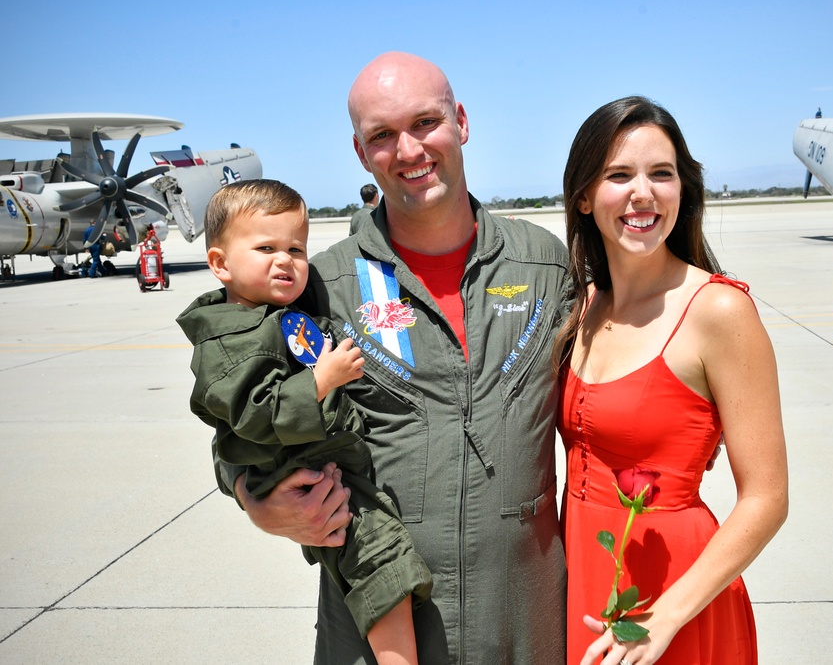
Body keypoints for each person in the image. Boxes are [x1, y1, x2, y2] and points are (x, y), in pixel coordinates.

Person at [216, 53, 570, 663]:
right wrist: (253, 496)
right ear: (361, 153)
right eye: (382, 135)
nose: (408, 151)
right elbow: (242, 408)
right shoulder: (321, 286)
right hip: (379, 630)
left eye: (426, 123)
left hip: (522, 623)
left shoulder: (544, 266)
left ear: (460, 121)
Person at [557, 96, 788, 665]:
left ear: (683, 189)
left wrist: (666, 617)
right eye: (619, 175)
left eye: (662, 173)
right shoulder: (583, 306)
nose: (644, 192)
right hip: (579, 573)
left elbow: (767, 498)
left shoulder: (718, 311)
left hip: (676, 594)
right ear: (584, 197)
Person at [177, 179, 433, 665]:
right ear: (219, 264)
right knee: (381, 563)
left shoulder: (273, 313)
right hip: (311, 474)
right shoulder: (230, 338)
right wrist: (321, 380)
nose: (286, 260)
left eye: (297, 248)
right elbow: (254, 413)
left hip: (323, 461)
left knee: (381, 565)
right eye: (266, 247)